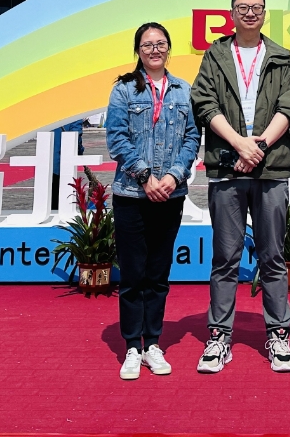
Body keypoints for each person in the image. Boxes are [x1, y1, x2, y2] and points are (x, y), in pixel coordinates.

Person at [191, 0, 290, 374]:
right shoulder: (216, 55)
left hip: (271, 167)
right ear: (232, 14)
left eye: (257, 7)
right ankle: (219, 337)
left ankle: (279, 335)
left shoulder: (281, 57)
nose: (250, 13)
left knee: (273, 256)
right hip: (227, 166)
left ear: (264, 13)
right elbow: (204, 103)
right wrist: (240, 144)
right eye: (243, 7)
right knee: (225, 257)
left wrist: (259, 146)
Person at [104, 23, 201, 381]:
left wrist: (174, 176)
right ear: (138, 51)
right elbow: (116, 138)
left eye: (160, 44)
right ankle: (132, 345)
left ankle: (153, 344)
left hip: (170, 195)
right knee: (133, 274)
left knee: (159, 274)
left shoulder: (184, 90)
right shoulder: (123, 89)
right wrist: (145, 177)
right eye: (147, 45)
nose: (154, 50)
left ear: (169, 48)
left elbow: (192, 138)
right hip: (131, 194)